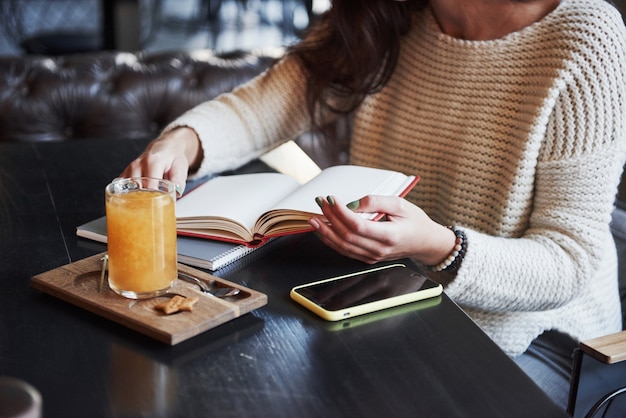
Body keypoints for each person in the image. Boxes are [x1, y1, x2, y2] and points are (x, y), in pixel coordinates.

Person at [122, 0, 626, 409]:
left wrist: (439, 247)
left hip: (543, 339)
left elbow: (569, 260)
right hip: (397, 308)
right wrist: (184, 142)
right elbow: (264, 105)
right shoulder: (384, 15)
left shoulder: (586, 37)